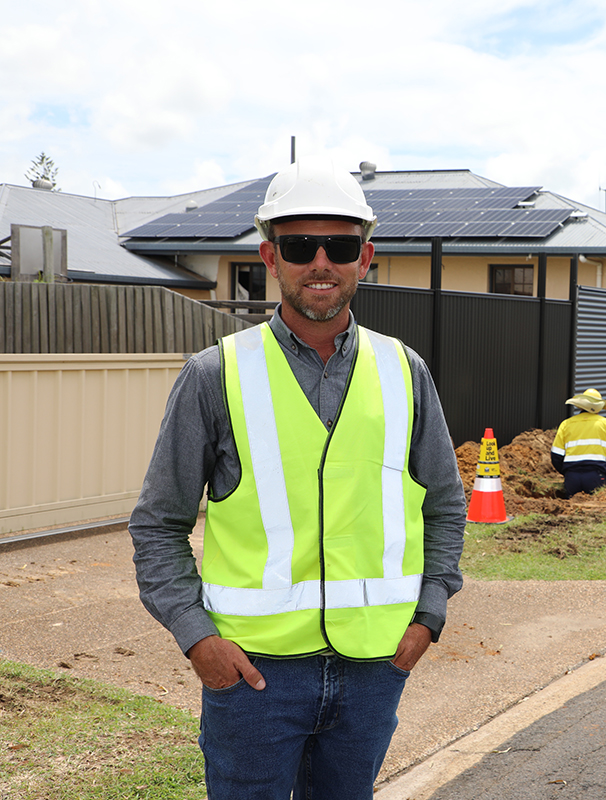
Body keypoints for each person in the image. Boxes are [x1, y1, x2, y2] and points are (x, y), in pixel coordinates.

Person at [128, 157, 466, 800]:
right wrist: (199, 640)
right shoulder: (214, 374)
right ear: (270, 256)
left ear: (364, 258)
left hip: (373, 670)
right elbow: (158, 523)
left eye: (339, 245)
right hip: (254, 677)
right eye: (299, 245)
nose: (321, 261)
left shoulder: (405, 371)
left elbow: (445, 507)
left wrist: (429, 616)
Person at [551, 389, 606, 497]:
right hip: (596, 477)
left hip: (572, 479)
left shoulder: (566, 424)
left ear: (581, 406)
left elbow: (556, 457)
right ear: (598, 408)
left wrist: (568, 474)